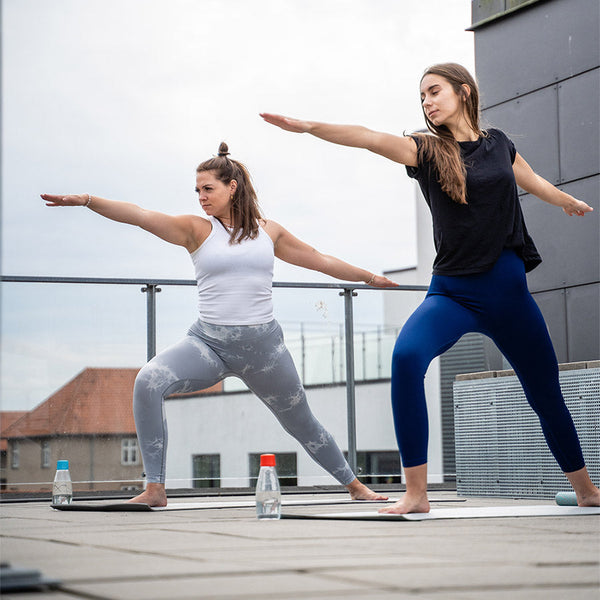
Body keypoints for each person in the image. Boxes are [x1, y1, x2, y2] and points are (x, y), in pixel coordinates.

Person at [260, 62, 600, 514]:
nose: (427, 102)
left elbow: (532, 181)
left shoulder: (499, 144)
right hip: (453, 293)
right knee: (406, 358)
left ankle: (586, 491)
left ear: (463, 91)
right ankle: (416, 494)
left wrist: (568, 201)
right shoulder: (426, 150)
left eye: (434, 91)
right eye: (422, 96)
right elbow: (367, 137)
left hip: (508, 293)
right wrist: (308, 127)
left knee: (544, 391)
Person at [41, 143, 396, 507]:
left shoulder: (268, 231)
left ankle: (356, 486)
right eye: (196, 190)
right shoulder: (196, 230)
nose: (200, 197)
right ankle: (155, 489)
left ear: (233, 187)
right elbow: (140, 215)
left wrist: (368, 277)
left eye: (207, 188)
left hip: (264, 353)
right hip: (208, 346)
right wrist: (86, 199)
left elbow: (319, 260)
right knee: (148, 380)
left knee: (301, 422)